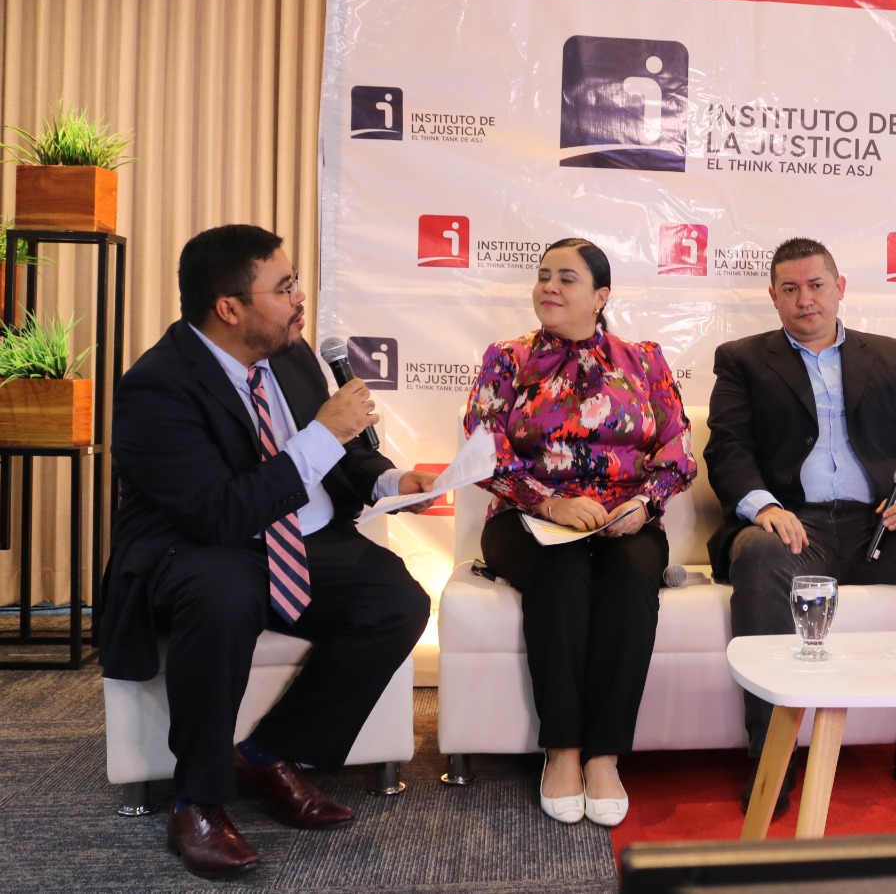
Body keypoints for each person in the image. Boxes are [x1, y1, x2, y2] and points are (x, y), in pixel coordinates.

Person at [100, 225, 434, 880]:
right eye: (283, 288)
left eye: (295, 282)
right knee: (223, 595)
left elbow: (345, 456)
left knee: (396, 600)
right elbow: (218, 514)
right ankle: (197, 801)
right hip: (199, 548)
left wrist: (392, 483)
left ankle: (266, 755)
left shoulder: (289, 351)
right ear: (229, 308)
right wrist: (323, 435)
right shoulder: (156, 388)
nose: (299, 298)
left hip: (302, 538)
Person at [705, 236, 896, 815]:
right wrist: (765, 508)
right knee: (758, 556)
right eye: (790, 289)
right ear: (773, 296)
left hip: (882, 525)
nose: (805, 300)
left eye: (816, 286)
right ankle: (773, 758)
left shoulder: (891, 356)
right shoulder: (742, 359)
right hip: (796, 525)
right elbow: (728, 449)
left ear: (839, 288)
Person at [464, 238, 696, 828]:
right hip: (525, 519)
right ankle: (563, 750)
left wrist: (645, 503)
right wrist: (549, 503)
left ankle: (604, 755)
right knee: (563, 572)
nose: (549, 286)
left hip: (624, 519)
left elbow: (678, 450)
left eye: (566, 278)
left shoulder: (644, 360)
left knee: (631, 578)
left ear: (600, 296)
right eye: (543, 275)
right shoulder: (507, 358)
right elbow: (482, 454)